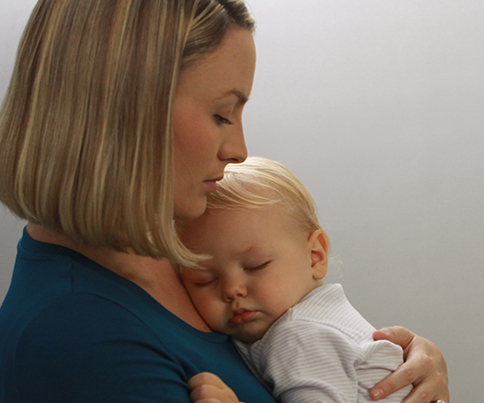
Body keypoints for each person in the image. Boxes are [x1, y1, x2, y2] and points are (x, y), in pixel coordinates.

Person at [0, 1, 449, 403]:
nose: (238, 150)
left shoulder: (181, 247)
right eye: (221, 114)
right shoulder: (80, 338)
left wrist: (395, 368)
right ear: (124, 109)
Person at [179, 157, 414, 402]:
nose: (232, 289)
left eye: (256, 265)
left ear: (314, 256)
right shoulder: (320, 316)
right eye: (205, 280)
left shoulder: (299, 335)